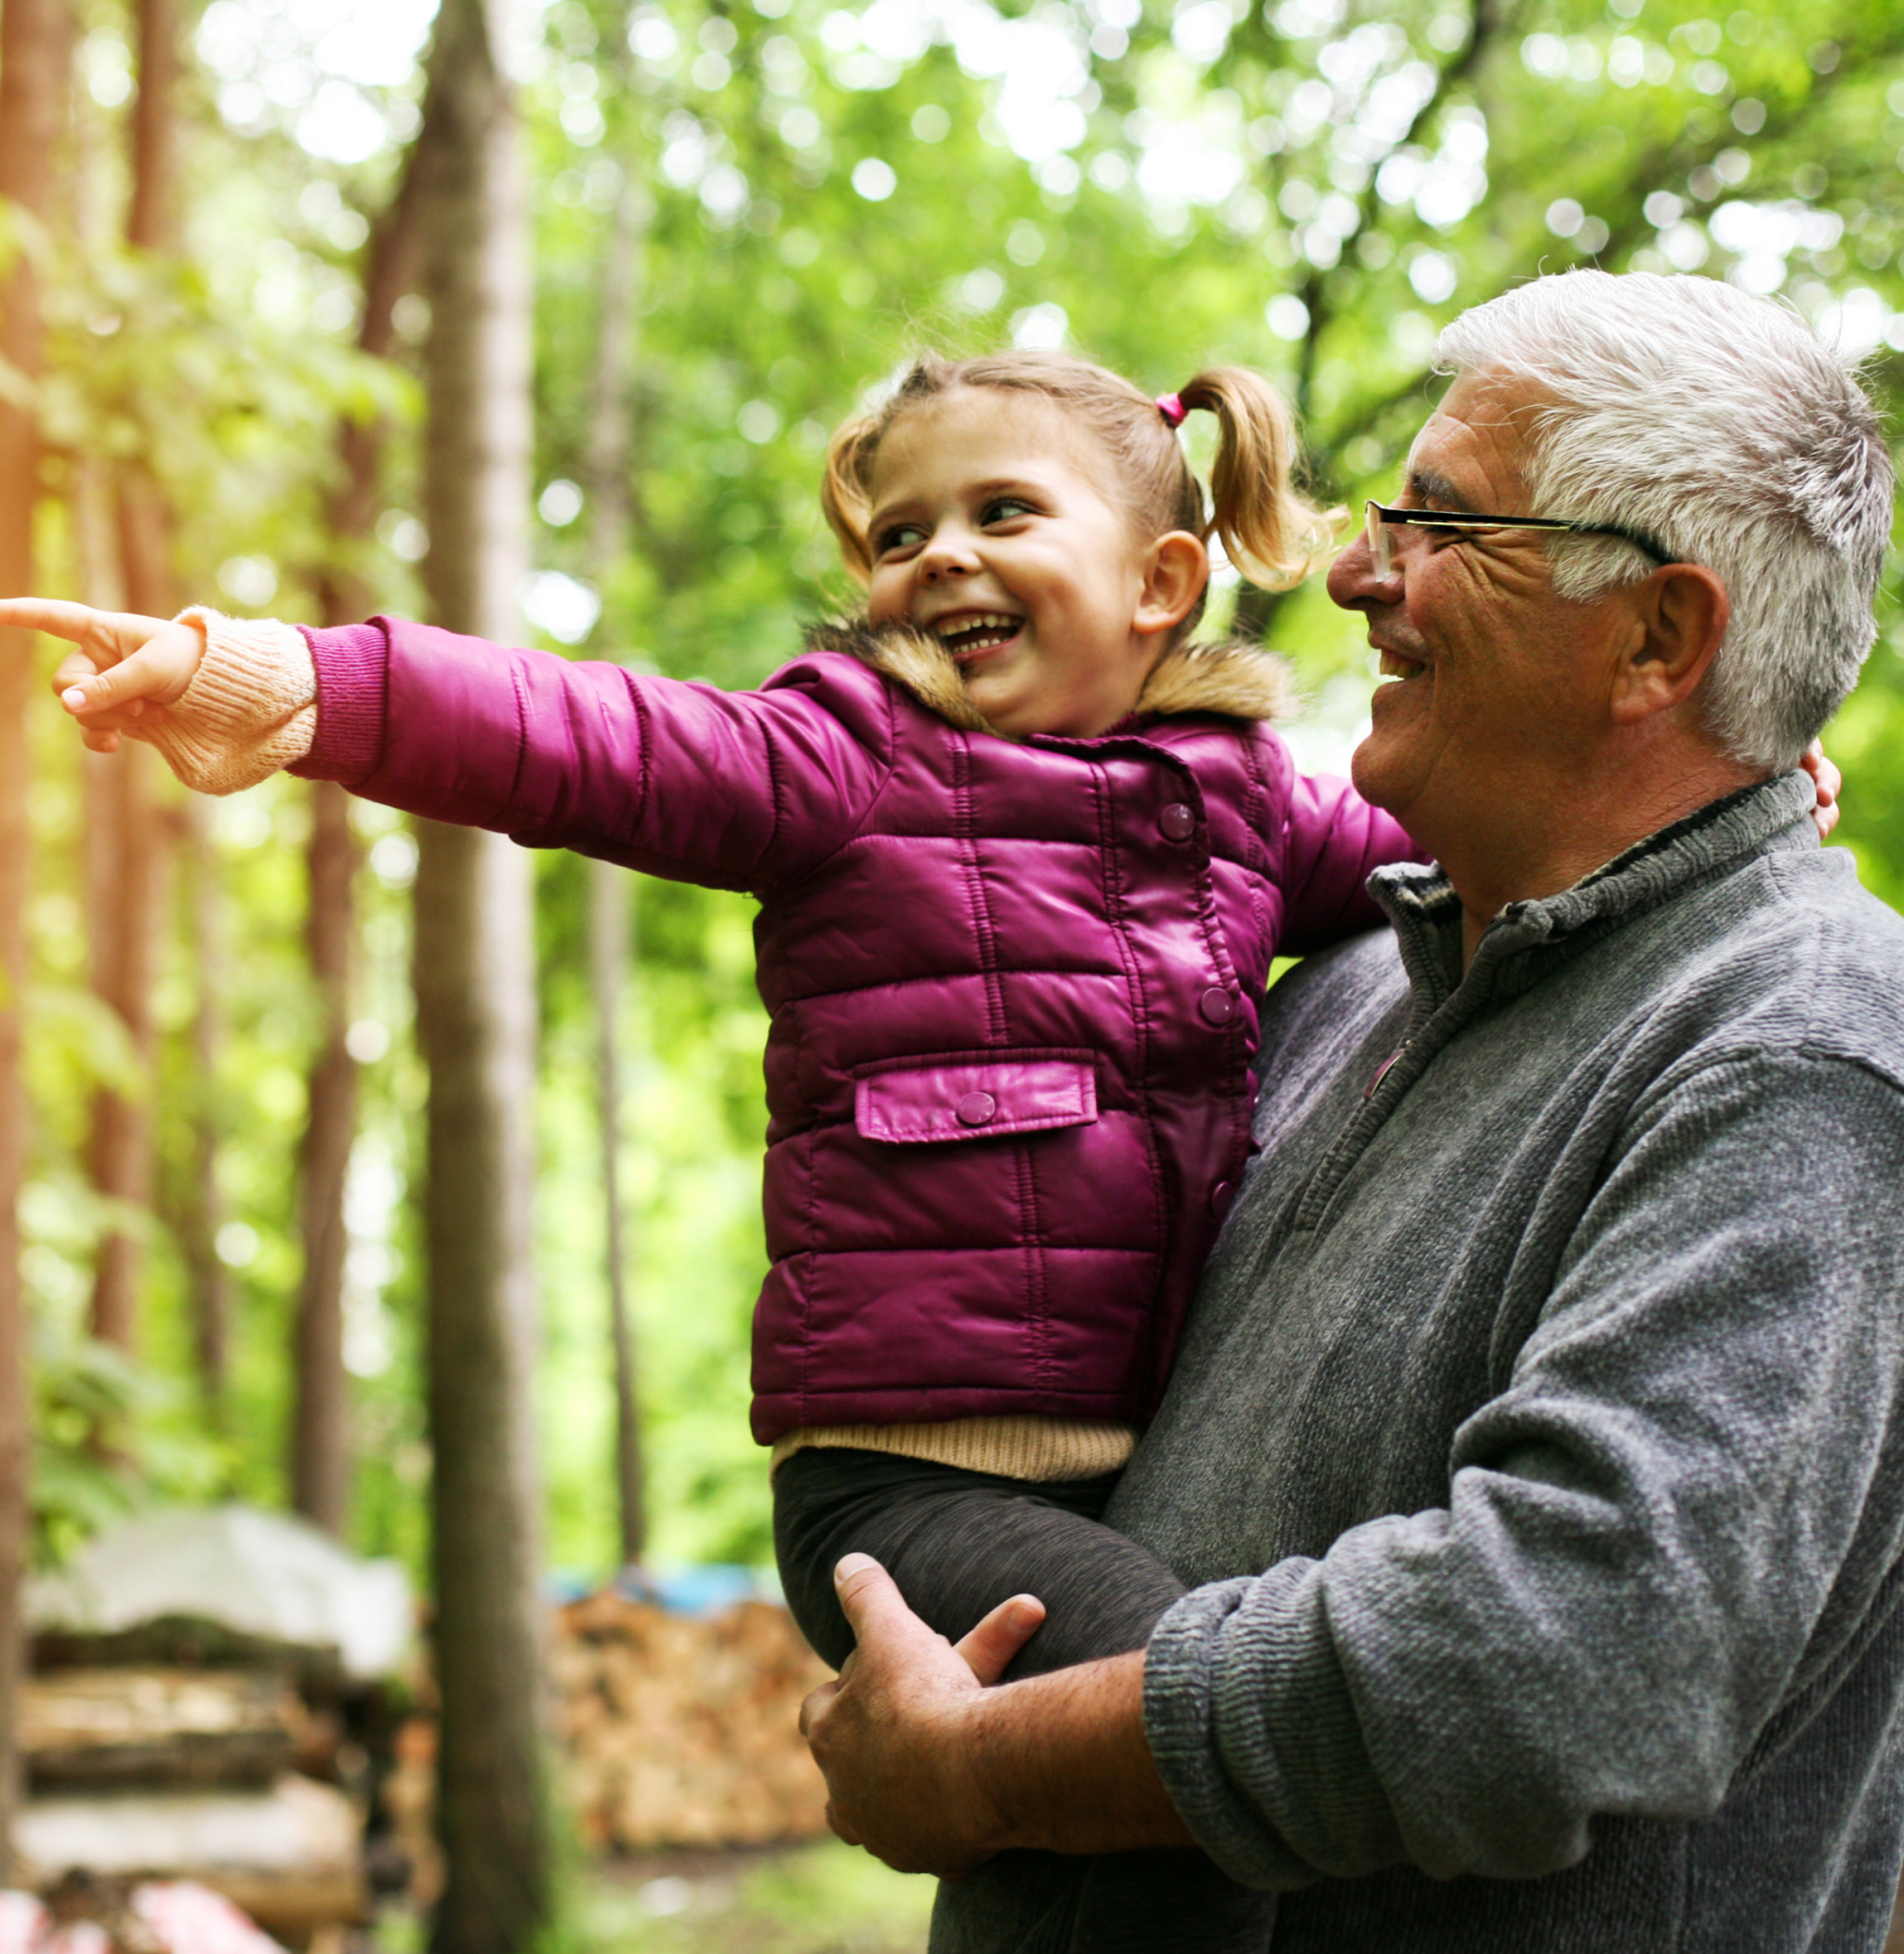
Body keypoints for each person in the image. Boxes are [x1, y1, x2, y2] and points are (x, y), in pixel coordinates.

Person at [3, 353, 1416, 1817]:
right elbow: (584, 737)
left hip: (1155, 1451)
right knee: (1186, 1705)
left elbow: (1435, 839)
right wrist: (283, 677)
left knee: (1149, 1809)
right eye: (901, 532)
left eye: (1004, 512)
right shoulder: (846, 757)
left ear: (1159, 579)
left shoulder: (1235, 801)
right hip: (908, 1483)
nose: (944, 556)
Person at [797, 268, 1904, 1954]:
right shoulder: (1346, 989)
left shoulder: (1803, 1049)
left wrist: (992, 1770)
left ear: (1661, 638)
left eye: (1442, 523)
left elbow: (1568, 1652)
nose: (1352, 570)